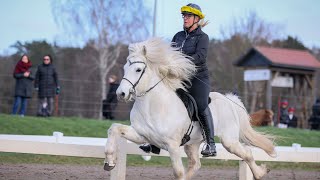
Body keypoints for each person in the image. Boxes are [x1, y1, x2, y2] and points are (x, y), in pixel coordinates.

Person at [140, 3, 216, 157]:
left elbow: (200, 58)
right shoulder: (178, 36)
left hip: (197, 77)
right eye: (184, 16)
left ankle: (211, 144)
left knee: (201, 105)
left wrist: (180, 62)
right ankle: (154, 143)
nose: (185, 18)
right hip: (178, 76)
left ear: (196, 19)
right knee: (158, 97)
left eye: (188, 16)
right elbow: (170, 53)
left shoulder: (203, 38)